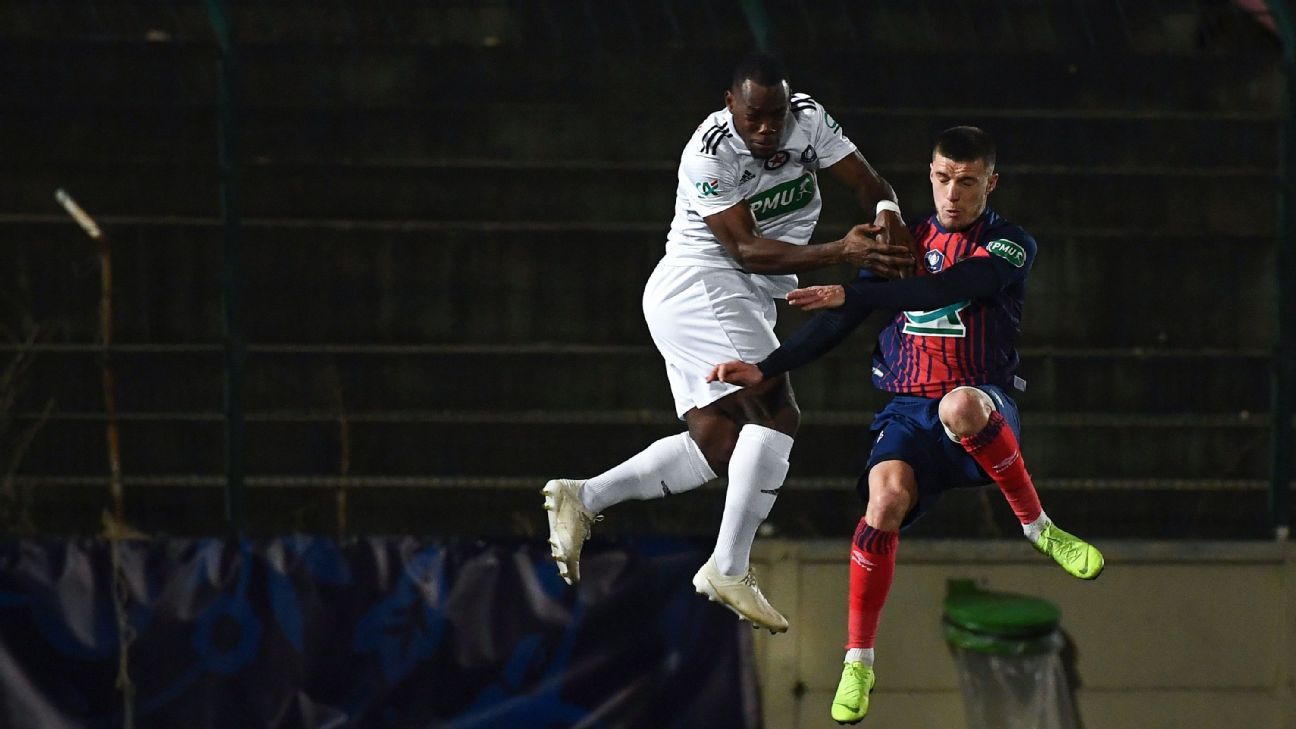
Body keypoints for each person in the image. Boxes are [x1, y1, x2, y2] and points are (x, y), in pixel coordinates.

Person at [707, 126, 1104, 722]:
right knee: (884, 499)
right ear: (929, 174)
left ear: (989, 184)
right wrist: (766, 367)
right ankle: (859, 660)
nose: (952, 194)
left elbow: (953, 286)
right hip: (906, 409)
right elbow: (838, 325)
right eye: (943, 178)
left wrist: (857, 294)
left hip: (984, 400)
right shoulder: (900, 241)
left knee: (961, 408)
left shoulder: (1010, 244)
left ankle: (1038, 526)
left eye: (967, 182)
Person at [542, 52, 916, 634]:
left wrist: (889, 214)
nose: (767, 129)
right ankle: (729, 567)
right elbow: (744, 250)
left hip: (731, 293)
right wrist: (841, 253)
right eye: (754, 117)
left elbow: (871, 183)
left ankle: (584, 496)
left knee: (719, 446)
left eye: (776, 115)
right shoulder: (709, 152)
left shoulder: (808, 118)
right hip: (706, 284)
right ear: (730, 107)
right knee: (777, 412)